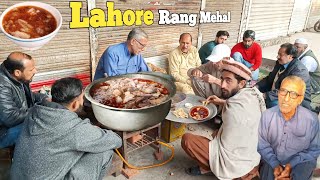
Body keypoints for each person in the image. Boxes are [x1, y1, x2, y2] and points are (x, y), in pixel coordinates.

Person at [11, 77, 122, 180]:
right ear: (74, 104)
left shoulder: (35, 111)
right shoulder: (72, 128)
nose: (83, 101)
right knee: (105, 151)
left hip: (18, 176)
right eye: (82, 98)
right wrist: (95, 131)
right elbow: (116, 141)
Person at [181, 60, 265, 179]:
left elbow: (224, 146)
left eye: (228, 81)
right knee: (216, 133)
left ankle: (212, 168)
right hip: (253, 156)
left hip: (237, 164)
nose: (223, 85)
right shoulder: (253, 94)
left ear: (241, 83)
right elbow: (239, 104)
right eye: (222, 79)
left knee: (188, 140)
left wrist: (216, 138)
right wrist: (221, 101)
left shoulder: (233, 111)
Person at [258, 76, 320, 180]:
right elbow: (262, 145)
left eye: (293, 94)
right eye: (283, 91)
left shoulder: (311, 121)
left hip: (299, 167)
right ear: (278, 93)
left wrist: (290, 167)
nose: (286, 99)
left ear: (300, 99)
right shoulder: (267, 116)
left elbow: (313, 151)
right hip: (271, 166)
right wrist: (275, 165)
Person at [0, 52, 47, 148]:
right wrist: (39, 110)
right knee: (40, 126)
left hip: (17, 122)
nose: (35, 71)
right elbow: (10, 118)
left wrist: (45, 99)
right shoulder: (2, 85)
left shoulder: (18, 77)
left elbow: (25, 96)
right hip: (4, 132)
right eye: (31, 69)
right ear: (17, 72)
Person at [256, 43, 311, 110]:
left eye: (280, 55)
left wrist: (265, 96)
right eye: (278, 54)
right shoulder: (280, 63)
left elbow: (288, 90)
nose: (277, 57)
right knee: (254, 92)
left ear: (290, 56)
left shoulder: (299, 70)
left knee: (271, 102)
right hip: (279, 92)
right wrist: (257, 86)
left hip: (295, 100)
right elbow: (269, 79)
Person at [187, 44, 231, 111]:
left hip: (226, 100)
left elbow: (236, 92)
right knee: (194, 78)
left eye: (217, 60)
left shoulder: (234, 70)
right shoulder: (212, 64)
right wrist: (194, 71)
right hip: (212, 93)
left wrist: (215, 81)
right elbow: (190, 71)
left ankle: (219, 112)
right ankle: (205, 103)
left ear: (226, 59)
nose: (213, 63)